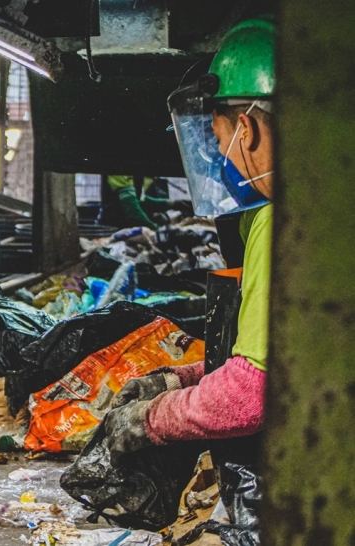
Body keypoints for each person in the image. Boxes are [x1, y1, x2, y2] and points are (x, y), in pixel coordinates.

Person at [100, 17, 275, 536]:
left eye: (218, 137)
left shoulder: (278, 219)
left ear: (247, 126)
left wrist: (151, 418)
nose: (219, 156)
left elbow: (252, 392)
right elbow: (283, 359)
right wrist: (183, 378)